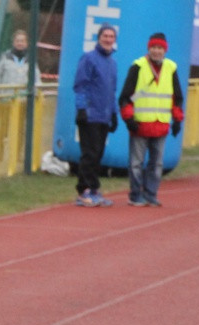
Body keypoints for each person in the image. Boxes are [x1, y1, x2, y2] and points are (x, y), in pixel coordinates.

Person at [118, 32, 185, 207]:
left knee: (157, 163)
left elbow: (176, 97)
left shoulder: (171, 68)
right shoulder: (138, 66)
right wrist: (129, 118)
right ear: (149, 48)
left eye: (160, 48)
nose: (157, 51)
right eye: (154, 47)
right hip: (140, 124)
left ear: (165, 50)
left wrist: (177, 119)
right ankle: (135, 194)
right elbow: (126, 96)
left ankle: (150, 193)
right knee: (136, 163)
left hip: (161, 124)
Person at [72, 23, 118, 207]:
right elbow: (80, 85)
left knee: (98, 154)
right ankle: (84, 189)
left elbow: (111, 91)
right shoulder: (89, 58)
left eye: (111, 36)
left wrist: (114, 114)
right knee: (89, 153)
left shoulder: (112, 63)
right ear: (99, 37)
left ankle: (94, 188)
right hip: (90, 114)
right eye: (105, 36)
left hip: (104, 115)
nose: (108, 39)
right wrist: (82, 108)